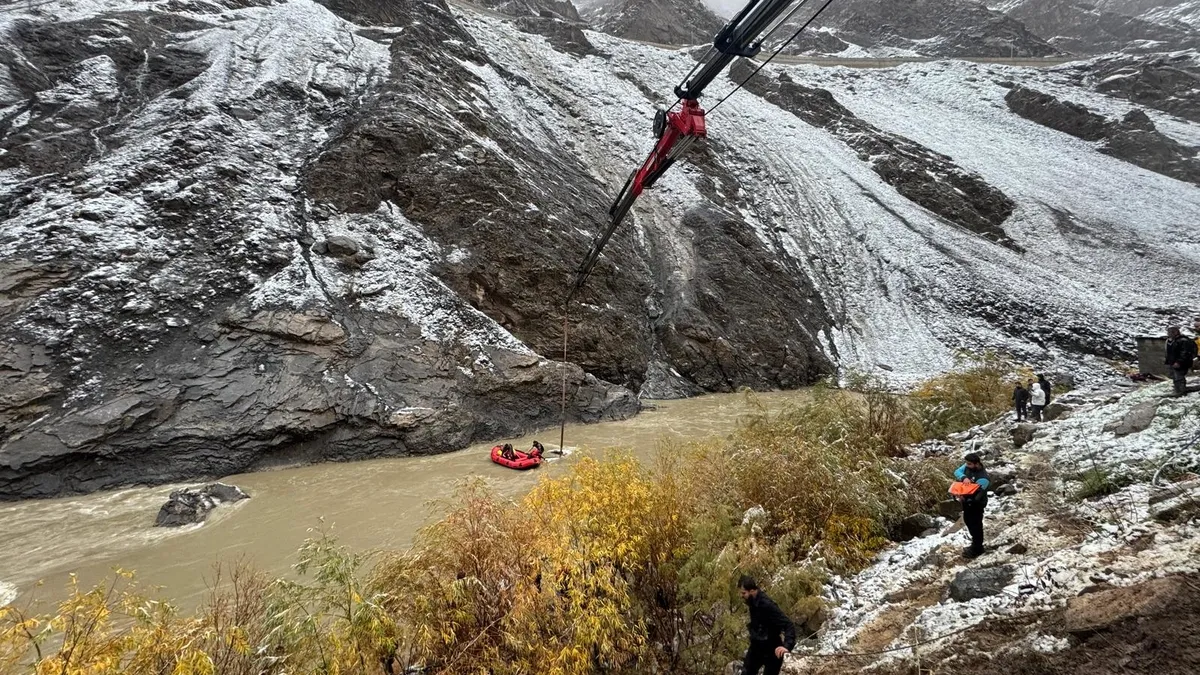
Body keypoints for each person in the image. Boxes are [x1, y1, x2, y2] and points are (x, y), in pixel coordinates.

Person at [738, 576, 795, 675]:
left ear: (752, 591)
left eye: (743, 593)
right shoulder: (752, 601)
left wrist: (787, 646)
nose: (741, 596)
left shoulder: (767, 605)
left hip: (773, 650)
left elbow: (788, 624)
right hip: (757, 647)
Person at [952, 453, 991, 558]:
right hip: (966, 500)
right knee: (968, 521)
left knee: (976, 525)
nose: (966, 465)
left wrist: (965, 498)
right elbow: (957, 472)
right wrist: (963, 477)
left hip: (976, 504)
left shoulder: (983, 479)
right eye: (967, 463)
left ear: (976, 464)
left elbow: (977, 496)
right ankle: (975, 544)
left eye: (969, 464)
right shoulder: (967, 467)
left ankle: (977, 548)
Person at [1165, 326, 1197, 396]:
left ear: (1175, 332)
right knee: (1175, 377)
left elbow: (1185, 353)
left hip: (1181, 363)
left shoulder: (1183, 341)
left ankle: (1181, 391)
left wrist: (1179, 362)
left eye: (1169, 332)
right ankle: (1178, 389)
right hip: (1173, 362)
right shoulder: (1172, 340)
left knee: (1179, 377)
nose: (1168, 334)